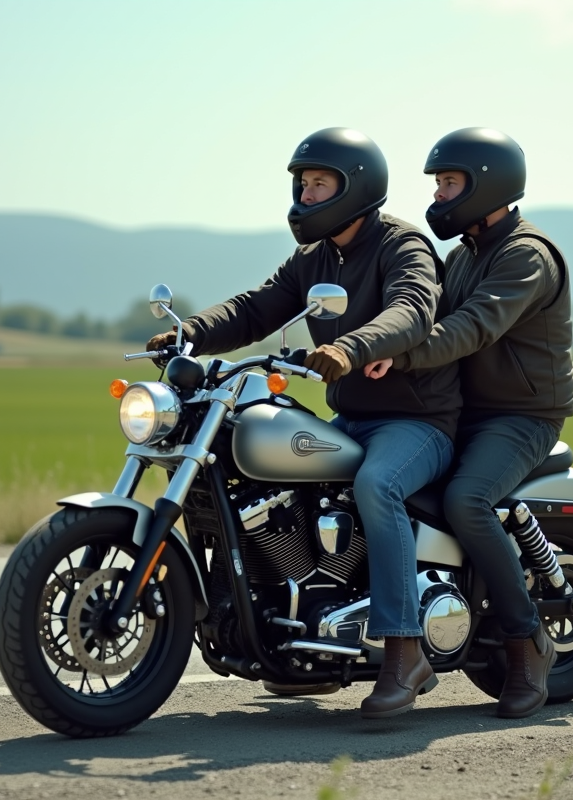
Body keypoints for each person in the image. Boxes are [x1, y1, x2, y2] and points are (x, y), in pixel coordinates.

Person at [146, 127, 460, 719]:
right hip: (352, 417)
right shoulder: (317, 257)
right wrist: (191, 333)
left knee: (377, 485)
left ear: (356, 189)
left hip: (417, 421)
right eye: (303, 183)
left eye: (321, 184)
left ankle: (404, 650)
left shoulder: (404, 246)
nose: (307, 195)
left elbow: (412, 309)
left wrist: (351, 348)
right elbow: (257, 306)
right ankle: (297, 633)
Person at [365, 127, 573, 718]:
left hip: (522, 415)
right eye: (436, 184)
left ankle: (527, 641)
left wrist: (401, 354)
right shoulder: (461, 257)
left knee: (466, 499)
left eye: (450, 183)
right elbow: (416, 314)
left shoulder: (526, 256)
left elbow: (471, 328)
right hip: (463, 411)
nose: (439, 195)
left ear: (488, 186)